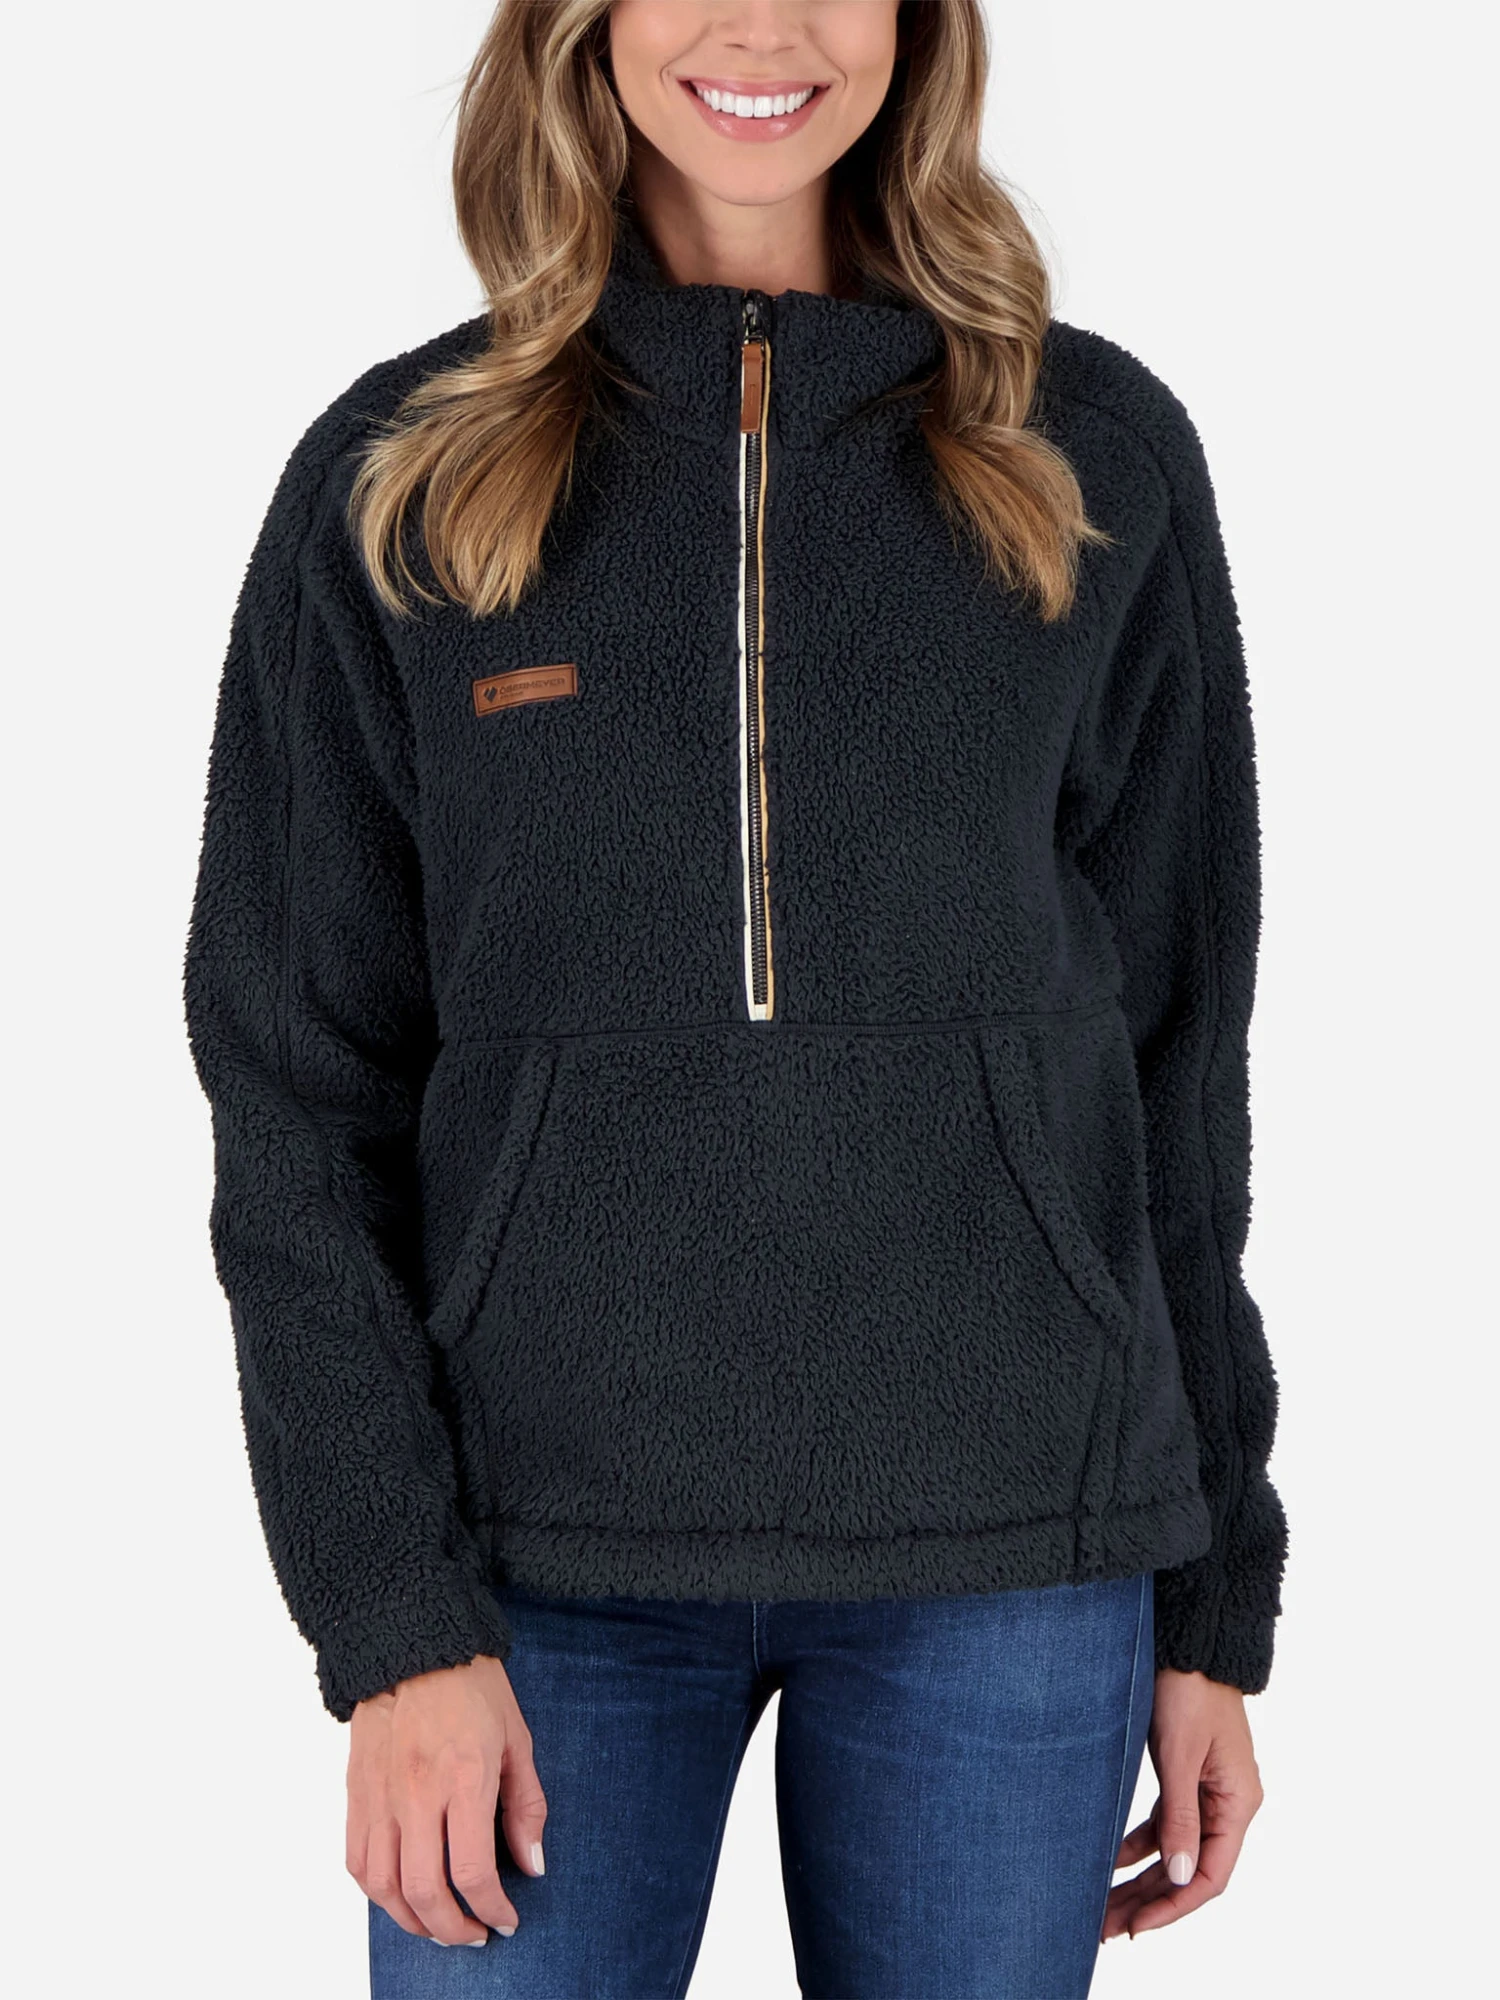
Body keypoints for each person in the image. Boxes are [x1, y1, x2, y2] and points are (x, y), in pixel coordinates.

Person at [182, 2, 1288, 1993]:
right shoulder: (398, 476)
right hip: (535, 1570)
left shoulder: (1094, 453)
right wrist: (391, 1617)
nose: (764, 27)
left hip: (1014, 1551)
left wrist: (1215, 1599)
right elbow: (294, 1101)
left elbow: (1180, 1073)